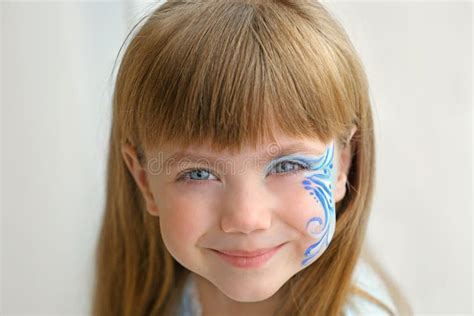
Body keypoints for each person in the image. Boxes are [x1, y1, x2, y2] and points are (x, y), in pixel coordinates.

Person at [91, 0, 412, 315]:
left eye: (288, 165)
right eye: (199, 174)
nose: (246, 218)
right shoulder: (159, 301)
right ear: (144, 179)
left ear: (342, 164)